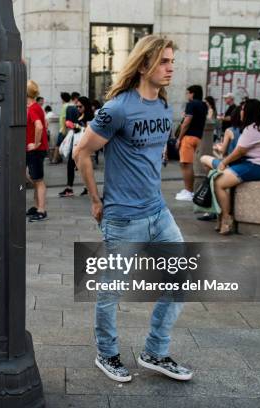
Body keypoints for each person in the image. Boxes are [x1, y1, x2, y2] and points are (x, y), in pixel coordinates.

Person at [74, 35, 193, 384]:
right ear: (144, 65)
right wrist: (96, 200)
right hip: (124, 217)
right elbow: (82, 152)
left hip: (158, 211)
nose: (171, 67)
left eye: (172, 61)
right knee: (112, 291)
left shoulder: (162, 107)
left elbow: (152, 151)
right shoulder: (118, 108)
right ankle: (107, 354)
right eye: (164, 62)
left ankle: (155, 351)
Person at [212, 99, 260, 235]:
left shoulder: (252, 129)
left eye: (243, 109)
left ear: (249, 112)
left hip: (254, 165)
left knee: (219, 182)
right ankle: (222, 215)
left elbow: (239, 151)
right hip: (255, 164)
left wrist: (224, 162)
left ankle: (226, 218)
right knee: (217, 174)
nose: (241, 111)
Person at [197, 104, 243, 223]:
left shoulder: (230, 130)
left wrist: (217, 147)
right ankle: (212, 175)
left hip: (228, 164)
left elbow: (223, 151)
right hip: (239, 165)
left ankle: (211, 178)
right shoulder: (246, 131)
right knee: (213, 170)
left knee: (204, 159)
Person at [175, 85, 207, 201]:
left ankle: (189, 192)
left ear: (192, 93)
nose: (187, 95)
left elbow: (187, 122)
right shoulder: (204, 105)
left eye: (188, 93)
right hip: (198, 137)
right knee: (190, 165)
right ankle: (189, 190)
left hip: (188, 137)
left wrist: (179, 138)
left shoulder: (191, 104)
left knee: (185, 164)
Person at [59, 96, 93, 197]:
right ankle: (74, 188)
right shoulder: (80, 115)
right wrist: (73, 126)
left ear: (85, 106)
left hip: (83, 145)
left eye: (80, 106)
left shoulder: (89, 117)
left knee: (81, 167)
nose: (78, 108)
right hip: (76, 144)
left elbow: (89, 130)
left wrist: (77, 126)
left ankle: (84, 188)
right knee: (73, 165)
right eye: (77, 106)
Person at [25, 79, 48, 222]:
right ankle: (36, 205)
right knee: (34, 178)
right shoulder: (34, 107)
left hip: (36, 150)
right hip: (33, 149)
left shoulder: (33, 108)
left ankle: (41, 209)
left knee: (38, 180)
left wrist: (36, 143)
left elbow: (39, 126)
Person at [52, 92, 73, 164]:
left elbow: (64, 118)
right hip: (69, 128)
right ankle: (59, 158)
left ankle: (55, 159)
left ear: (63, 99)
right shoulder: (71, 105)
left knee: (58, 144)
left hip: (63, 128)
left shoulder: (65, 106)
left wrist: (63, 129)